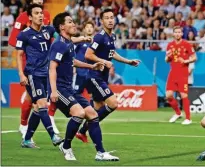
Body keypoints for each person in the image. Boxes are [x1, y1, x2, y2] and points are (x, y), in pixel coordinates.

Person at [48, 12, 119, 161]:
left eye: (73, 21)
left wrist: (91, 66)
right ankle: (66, 146)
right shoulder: (59, 44)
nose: (74, 24)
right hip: (59, 89)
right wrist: (54, 91)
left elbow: (73, 62)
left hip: (69, 88)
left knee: (92, 114)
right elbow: (52, 68)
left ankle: (100, 153)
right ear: (62, 27)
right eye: (70, 22)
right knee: (79, 113)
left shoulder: (69, 43)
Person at [75, 9, 140, 142]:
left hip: (102, 77)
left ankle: (83, 133)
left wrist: (128, 62)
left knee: (97, 109)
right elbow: (88, 54)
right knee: (113, 103)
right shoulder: (99, 36)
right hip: (94, 76)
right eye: (107, 18)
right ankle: (81, 130)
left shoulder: (112, 36)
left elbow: (112, 53)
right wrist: (104, 62)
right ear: (102, 21)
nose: (110, 20)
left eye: (112, 17)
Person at [8, 0, 59, 136]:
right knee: (32, 97)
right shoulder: (23, 17)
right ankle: (24, 126)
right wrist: (31, 45)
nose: (39, 2)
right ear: (30, 2)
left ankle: (49, 119)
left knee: (52, 90)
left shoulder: (47, 15)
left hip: (47, 60)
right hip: (30, 61)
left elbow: (51, 36)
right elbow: (13, 40)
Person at [16, 4, 63, 148]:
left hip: (47, 75)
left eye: (41, 13)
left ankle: (27, 139)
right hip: (32, 74)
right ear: (30, 17)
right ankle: (53, 136)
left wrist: (79, 38)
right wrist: (21, 74)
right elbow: (18, 55)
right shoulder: (24, 34)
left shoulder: (49, 30)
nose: (40, 15)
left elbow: (62, 38)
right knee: (42, 104)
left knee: (37, 109)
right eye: (36, 13)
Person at [165, 26, 197, 125]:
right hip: (173, 72)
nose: (178, 34)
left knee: (183, 95)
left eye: (179, 32)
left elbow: (194, 57)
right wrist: (168, 57)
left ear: (182, 34)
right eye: (176, 32)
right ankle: (178, 113)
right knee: (168, 95)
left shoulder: (186, 44)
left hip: (182, 73)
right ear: (173, 34)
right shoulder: (170, 45)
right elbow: (166, 60)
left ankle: (188, 118)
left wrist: (186, 61)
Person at [73, 21, 95, 94]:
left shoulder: (96, 43)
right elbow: (73, 55)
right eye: (87, 27)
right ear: (84, 29)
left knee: (94, 95)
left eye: (91, 27)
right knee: (76, 94)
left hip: (91, 73)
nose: (89, 29)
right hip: (80, 73)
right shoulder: (80, 41)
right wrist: (74, 68)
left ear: (93, 29)